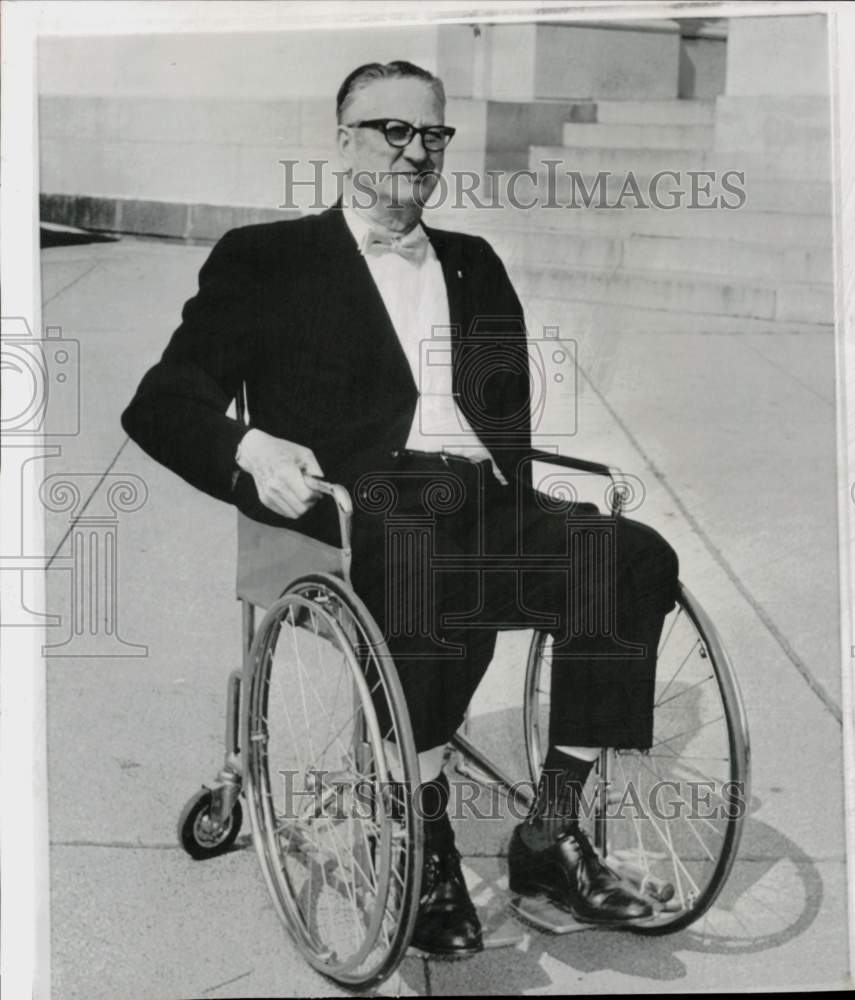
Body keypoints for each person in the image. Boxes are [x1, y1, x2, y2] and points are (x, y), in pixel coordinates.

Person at [122, 60, 680, 956]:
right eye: (393, 130)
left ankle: (550, 832)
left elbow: (506, 425)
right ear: (344, 141)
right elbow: (161, 404)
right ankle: (423, 836)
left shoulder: (473, 261)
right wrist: (250, 448)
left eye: (432, 134)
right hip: (355, 511)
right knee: (418, 549)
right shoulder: (266, 260)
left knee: (632, 553)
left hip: (479, 505)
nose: (416, 151)